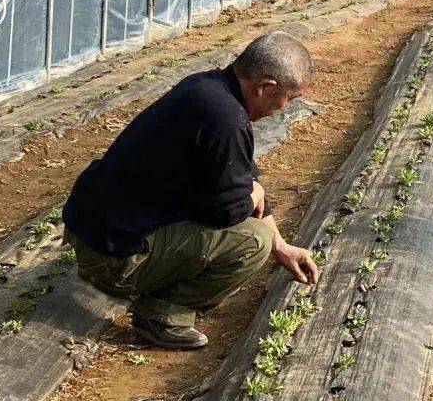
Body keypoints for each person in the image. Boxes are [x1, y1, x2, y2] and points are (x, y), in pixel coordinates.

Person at [63, 32, 321, 349]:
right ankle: (161, 317)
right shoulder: (225, 118)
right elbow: (232, 211)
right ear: (264, 87)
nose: (284, 108)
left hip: (94, 234)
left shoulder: (208, 89)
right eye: (289, 98)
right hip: (111, 258)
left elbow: (245, 183)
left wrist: (282, 246)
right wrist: (256, 204)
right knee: (253, 241)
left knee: (263, 232)